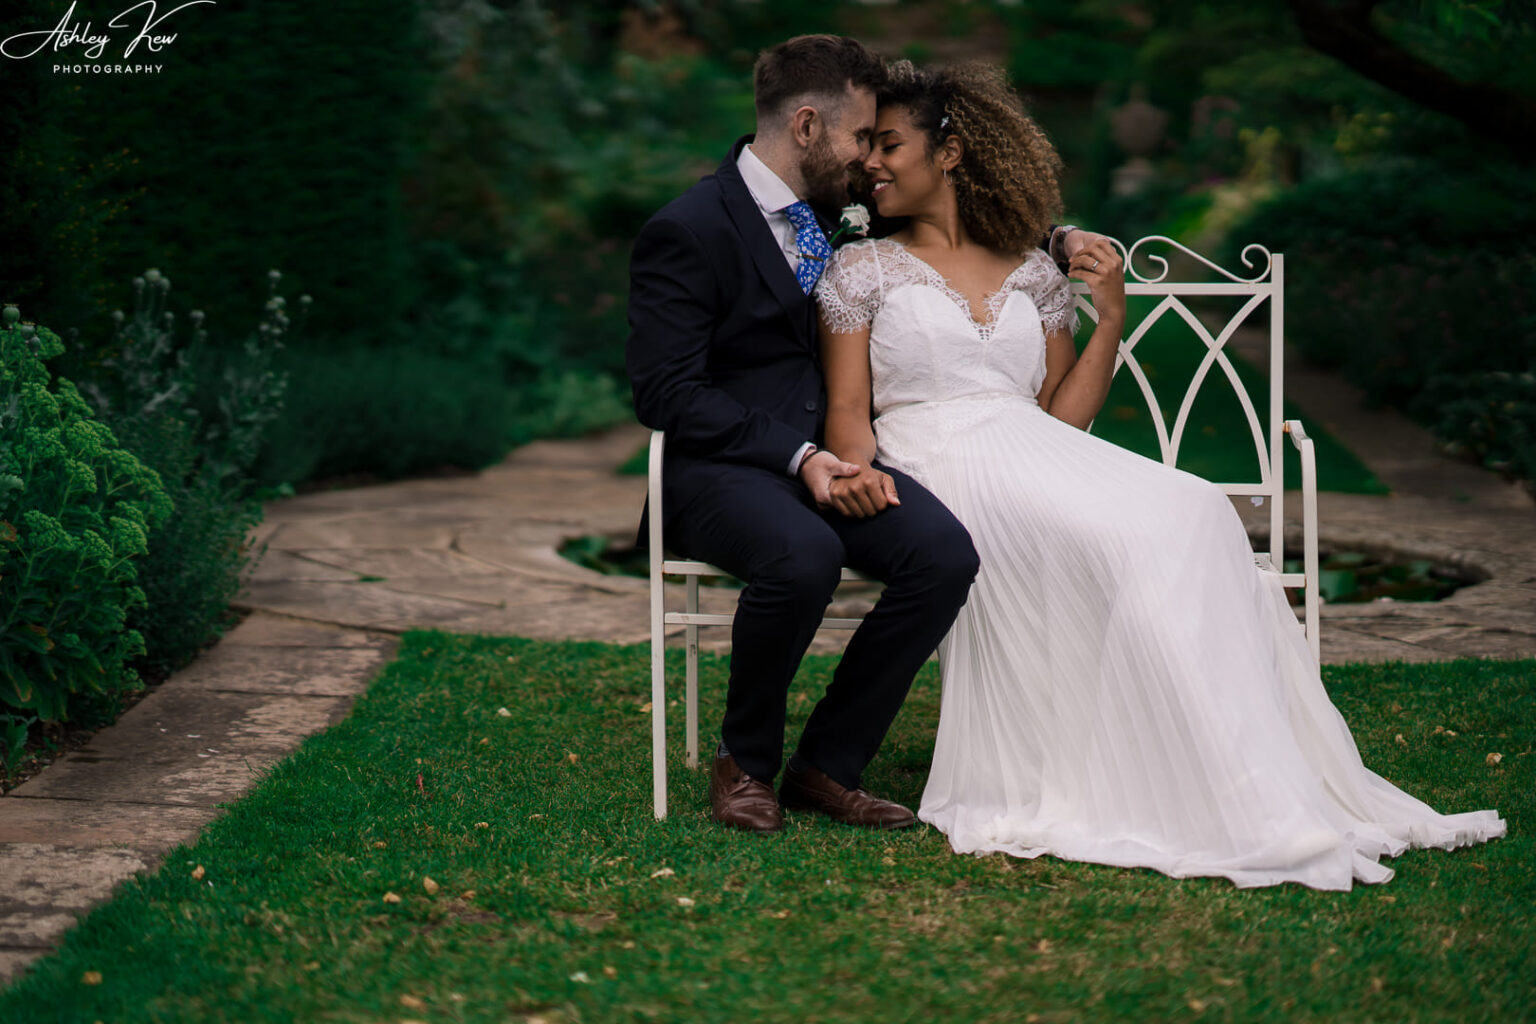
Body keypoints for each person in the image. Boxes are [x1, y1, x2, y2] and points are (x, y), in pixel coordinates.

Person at [815, 60, 1505, 889]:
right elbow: (850, 410)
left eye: (890, 144)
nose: (872, 164)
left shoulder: (1035, 274)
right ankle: (1172, 766)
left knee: (1193, 510)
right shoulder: (862, 270)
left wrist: (1110, 316)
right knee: (1141, 532)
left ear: (953, 153)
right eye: (869, 151)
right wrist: (858, 475)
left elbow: (1062, 418)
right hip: (935, 459)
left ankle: (1233, 773)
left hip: (1034, 447)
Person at [626, 35, 1100, 834]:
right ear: (807, 127)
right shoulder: (689, 229)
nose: (870, 158)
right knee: (803, 556)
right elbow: (667, 392)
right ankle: (744, 764)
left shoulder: (839, 209)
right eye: (859, 137)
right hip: (725, 469)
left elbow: (953, 221)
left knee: (942, 555)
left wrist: (1055, 239)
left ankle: (827, 766)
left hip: (845, 458)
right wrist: (799, 455)